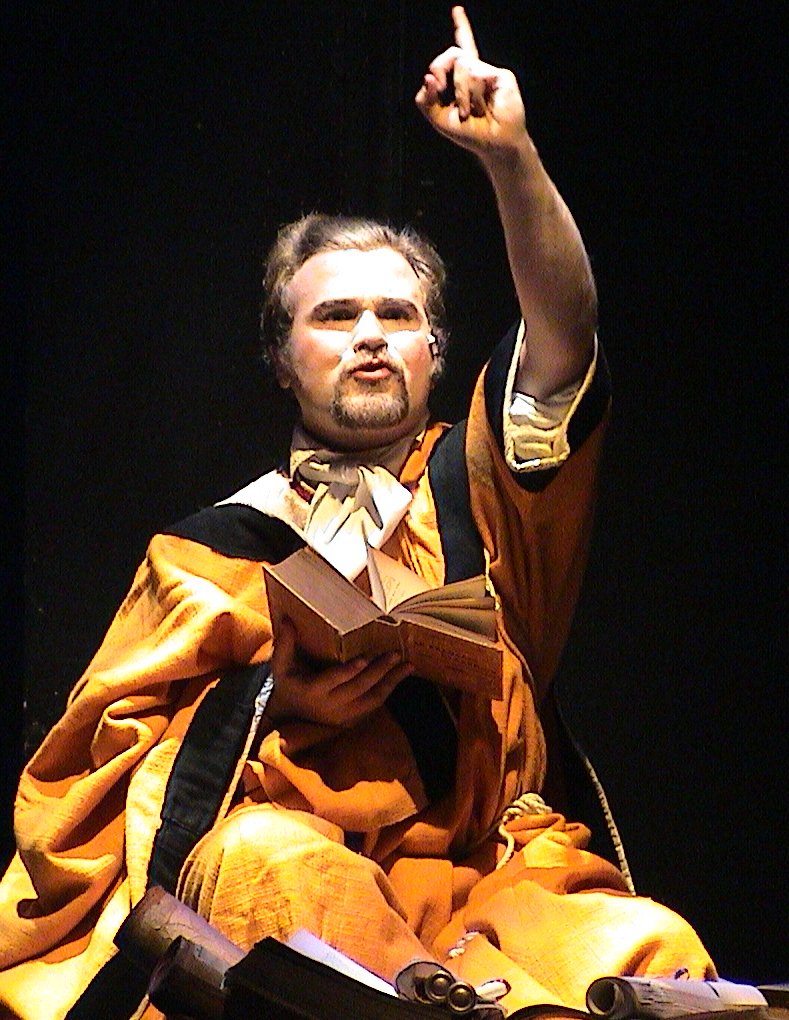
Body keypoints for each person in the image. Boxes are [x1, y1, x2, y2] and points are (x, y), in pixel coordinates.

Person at [0, 8, 715, 1018]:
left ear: (435, 351)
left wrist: (509, 157)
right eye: (335, 316)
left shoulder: (483, 496)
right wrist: (277, 703)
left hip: (485, 879)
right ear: (281, 358)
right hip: (302, 859)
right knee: (277, 871)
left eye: (398, 315)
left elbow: (564, 338)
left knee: (644, 944)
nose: (370, 335)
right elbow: (88, 781)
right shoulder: (205, 556)